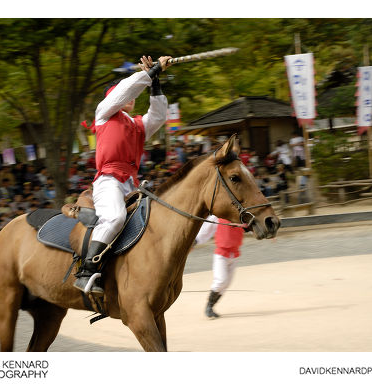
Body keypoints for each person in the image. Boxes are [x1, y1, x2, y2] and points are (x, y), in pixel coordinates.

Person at [73, 55, 172, 294]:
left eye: (133, 96)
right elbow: (124, 91)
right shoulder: (104, 113)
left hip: (132, 183)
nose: (131, 98)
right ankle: (86, 271)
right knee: (115, 218)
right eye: (124, 94)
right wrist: (149, 72)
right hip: (108, 180)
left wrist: (155, 81)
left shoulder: (137, 125)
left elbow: (158, 116)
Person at [195, 215, 245, 319]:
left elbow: (252, 226)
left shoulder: (241, 216)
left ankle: (211, 307)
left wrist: (268, 234)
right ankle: (208, 306)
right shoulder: (218, 217)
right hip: (221, 254)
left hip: (234, 254)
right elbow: (205, 231)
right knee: (221, 280)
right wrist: (194, 242)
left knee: (226, 283)